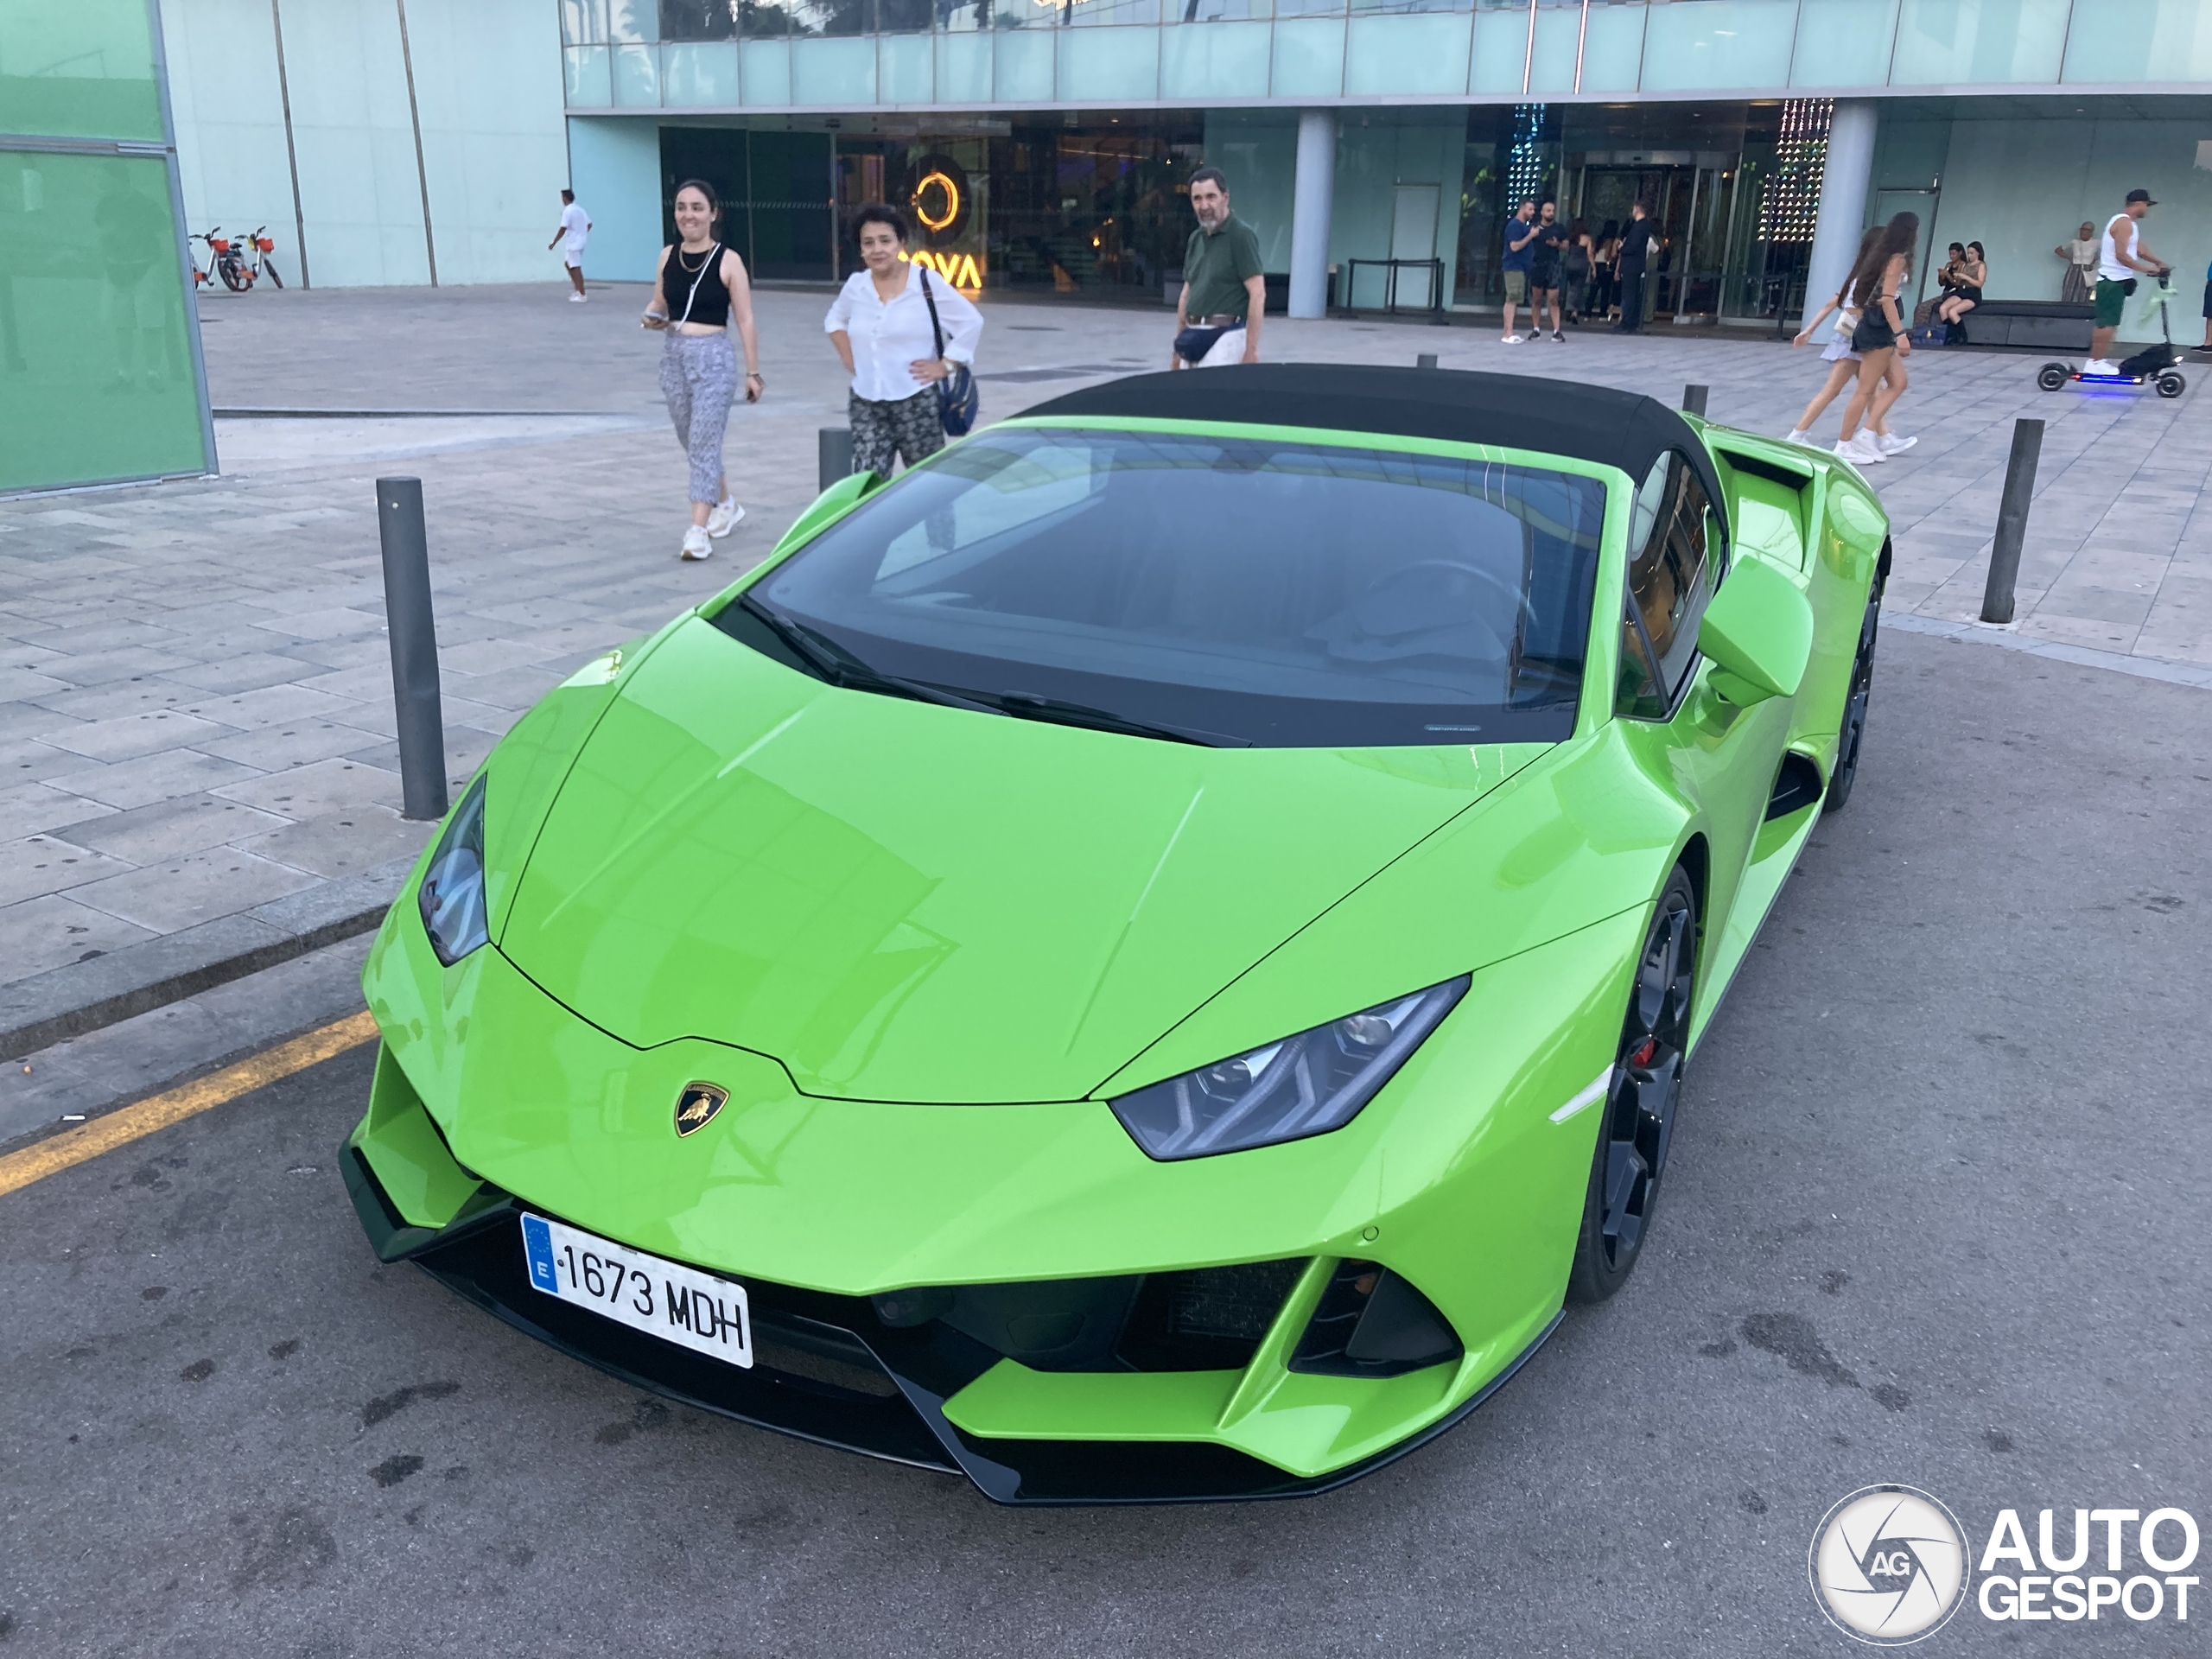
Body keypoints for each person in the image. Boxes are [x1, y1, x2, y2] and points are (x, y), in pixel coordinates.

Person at [640, 179, 762, 562]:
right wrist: (650, 318)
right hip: (674, 356)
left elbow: (745, 319)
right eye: (681, 207)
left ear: (713, 213)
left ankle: (697, 531)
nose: (688, 215)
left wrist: (753, 372)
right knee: (692, 443)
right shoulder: (666, 256)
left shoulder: (729, 260)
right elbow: (660, 301)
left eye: (696, 207)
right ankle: (726, 504)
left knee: (705, 444)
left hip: (713, 360)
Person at [826, 202, 983, 479]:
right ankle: (875, 525)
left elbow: (970, 322)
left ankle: (938, 525)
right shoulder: (856, 286)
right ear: (861, 249)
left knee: (928, 483)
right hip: (867, 401)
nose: (877, 250)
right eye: (868, 243)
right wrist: (849, 358)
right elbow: (835, 321)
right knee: (866, 484)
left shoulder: (925, 283)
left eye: (885, 241)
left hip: (915, 400)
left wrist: (945, 365)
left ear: (901, 243)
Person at [1784, 225, 1914, 457]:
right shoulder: (1870, 277)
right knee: (1845, 390)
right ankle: (1803, 435)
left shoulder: (1858, 274)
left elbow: (1832, 303)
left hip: (1850, 338)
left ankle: (1882, 437)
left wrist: (1810, 330)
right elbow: (1857, 308)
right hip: (1858, 339)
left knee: (1871, 389)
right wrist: (1809, 330)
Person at [1834, 213, 1918, 467]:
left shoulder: (1883, 256)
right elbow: (1887, 298)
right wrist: (1901, 334)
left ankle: (1868, 434)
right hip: (1879, 328)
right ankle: (1844, 444)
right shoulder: (1896, 259)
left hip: (1875, 326)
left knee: (1898, 382)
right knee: (1866, 389)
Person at [1171, 166, 1262, 367]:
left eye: (1211, 197)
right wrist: (1176, 350)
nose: (1204, 205)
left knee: (1215, 398)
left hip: (1225, 336)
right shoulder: (1196, 238)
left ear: (1225, 197)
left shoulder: (1240, 236)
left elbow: (1257, 293)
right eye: (1197, 199)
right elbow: (1187, 292)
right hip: (1192, 333)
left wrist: (1251, 350)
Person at [2089, 188, 2166, 375]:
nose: (2147, 209)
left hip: (2119, 281)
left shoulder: (2130, 224)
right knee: (2106, 322)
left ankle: (2100, 361)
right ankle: (2094, 362)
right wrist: (2144, 269)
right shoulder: (2123, 223)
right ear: (2138, 203)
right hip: (2111, 281)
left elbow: (2137, 248)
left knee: (2112, 322)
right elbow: (2121, 255)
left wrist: (2157, 262)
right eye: (2146, 205)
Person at [1528, 200, 1567, 342]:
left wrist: (1557, 244)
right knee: (1537, 299)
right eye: (1548, 210)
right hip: (1537, 265)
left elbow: (1566, 247)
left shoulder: (1560, 229)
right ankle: (1536, 329)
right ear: (1542, 212)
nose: (1551, 213)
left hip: (1553, 266)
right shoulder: (1534, 227)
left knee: (1553, 299)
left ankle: (1557, 330)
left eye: (1553, 211)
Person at [1499, 198, 1537, 343]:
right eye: (1530, 209)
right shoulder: (1515, 226)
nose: (1533, 212)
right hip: (1513, 266)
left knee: (1515, 298)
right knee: (1512, 298)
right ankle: (1508, 333)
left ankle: (1509, 332)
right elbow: (1514, 246)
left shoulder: (1522, 226)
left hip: (1520, 267)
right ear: (1522, 208)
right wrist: (1531, 236)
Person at [1612, 201, 1654, 333]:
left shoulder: (1639, 227)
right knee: (1633, 294)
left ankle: (1627, 323)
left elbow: (1633, 246)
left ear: (1637, 209)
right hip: (1636, 265)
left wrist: (1622, 248)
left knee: (1629, 294)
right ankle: (1631, 322)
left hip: (1632, 265)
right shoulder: (1644, 226)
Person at [549, 189, 591, 302]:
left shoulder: (568, 211)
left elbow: (563, 228)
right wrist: (582, 233)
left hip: (573, 243)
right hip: (580, 241)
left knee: (575, 267)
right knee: (569, 264)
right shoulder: (580, 209)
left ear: (565, 198)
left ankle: (582, 294)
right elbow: (589, 224)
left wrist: (554, 242)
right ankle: (577, 290)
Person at [1936, 240, 1986, 332]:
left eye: (1972, 253)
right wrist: (1946, 276)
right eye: (1968, 253)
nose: (1969, 256)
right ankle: (1949, 333)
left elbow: (1980, 283)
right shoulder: (1964, 265)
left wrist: (1966, 277)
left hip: (1972, 293)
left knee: (1952, 312)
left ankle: (1961, 335)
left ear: (1978, 253)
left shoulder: (1981, 265)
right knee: (1943, 309)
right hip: (1961, 291)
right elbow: (1956, 282)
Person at [2054, 220, 2097, 306]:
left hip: (2087, 268)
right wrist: (2068, 257)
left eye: (2086, 230)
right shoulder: (2074, 242)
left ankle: (2082, 313)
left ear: (2091, 232)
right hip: (2074, 267)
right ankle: (2064, 310)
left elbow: (2109, 252)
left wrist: (2096, 259)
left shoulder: (2096, 242)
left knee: (2085, 292)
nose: (2083, 232)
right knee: (2068, 289)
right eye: (2082, 230)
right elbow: (2058, 250)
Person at [1562, 217, 1593, 324]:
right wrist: (1593, 267)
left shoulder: (1570, 238)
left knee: (1572, 287)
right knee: (1578, 288)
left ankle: (1572, 310)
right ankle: (1571, 309)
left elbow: (1565, 249)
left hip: (1571, 263)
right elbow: (1589, 254)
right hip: (1582, 265)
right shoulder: (1587, 238)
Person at [1590, 219, 1617, 320]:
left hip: (1596, 264)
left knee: (1593, 290)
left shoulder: (1600, 238)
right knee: (1605, 292)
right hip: (1605, 266)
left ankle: (1588, 313)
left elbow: (1593, 251)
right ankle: (1602, 313)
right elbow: (1608, 255)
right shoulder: (1611, 240)